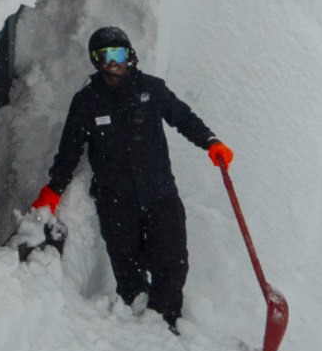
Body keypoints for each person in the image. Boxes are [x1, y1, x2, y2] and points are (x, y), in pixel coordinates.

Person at [31, 26, 232, 332]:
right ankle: (138, 322)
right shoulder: (87, 101)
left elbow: (183, 118)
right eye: (105, 56)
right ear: (96, 60)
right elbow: (70, 149)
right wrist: (54, 189)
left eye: (119, 53)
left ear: (130, 56)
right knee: (127, 264)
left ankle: (166, 320)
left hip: (160, 193)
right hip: (116, 199)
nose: (114, 62)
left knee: (172, 260)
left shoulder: (151, 90)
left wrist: (210, 141)